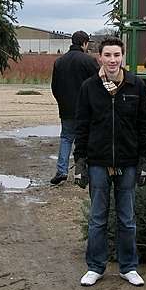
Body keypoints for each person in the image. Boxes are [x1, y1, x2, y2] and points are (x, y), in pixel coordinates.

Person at [74, 37, 146, 287]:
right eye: (107, 55)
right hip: (98, 161)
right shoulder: (89, 87)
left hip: (128, 162)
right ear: (99, 57)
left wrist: (145, 159)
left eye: (116, 55)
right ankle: (95, 267)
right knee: (97, 217)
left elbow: (145, 125)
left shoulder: (136, 86)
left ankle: (128, 267)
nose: (112, 60)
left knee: (127, 218)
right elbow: (82, 125)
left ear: (123, 57)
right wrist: (80, 161)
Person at [50, 30, 99, 185]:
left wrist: (61, 101)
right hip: (86, 108)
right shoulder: (89, 61)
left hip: (66, 108)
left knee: (66, 138)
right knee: (85, 140)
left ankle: (62, 171)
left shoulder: (59, 61)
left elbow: (54, 86)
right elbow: (98, 84)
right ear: (84, 43)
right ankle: (82, 171)